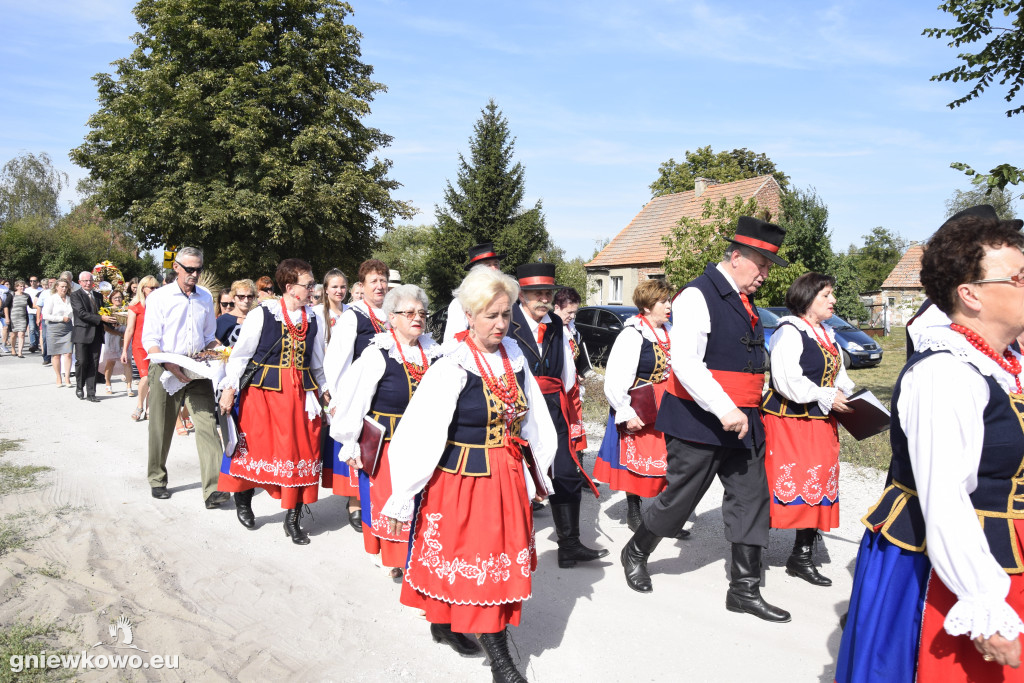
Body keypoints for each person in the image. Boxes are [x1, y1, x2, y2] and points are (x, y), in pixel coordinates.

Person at [836, 210, 1024, 681]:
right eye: (1019, 277)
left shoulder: (1006, 364)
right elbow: (945, 496)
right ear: (971, 294)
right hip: (959, 561)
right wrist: (983, 604)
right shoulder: (945, 373)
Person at [382, 267, 557, 680]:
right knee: (476, 566)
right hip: (462, 481)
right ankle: (500, 660)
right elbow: (421, 432)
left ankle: (443, 624)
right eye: (492, 315)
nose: (501, 324)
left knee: (493, 564)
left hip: (506, 475)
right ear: (470, 314)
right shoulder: (452, 366)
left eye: (506, 314)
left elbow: (535, 420)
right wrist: (403, 493)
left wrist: (541, 474)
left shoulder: (514, 357)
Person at [621, 216, 792, 624]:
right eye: (761, 265)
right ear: (736, 257)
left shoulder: (745, 301)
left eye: (769, 268)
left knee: (752, 499)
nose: (766, 275)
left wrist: (745, 407)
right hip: (701, 418)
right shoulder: (697, 296)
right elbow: (687, 365)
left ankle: (744, 590)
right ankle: (637, 550)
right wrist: (725, 408)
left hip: (744, 419)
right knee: (681, 499)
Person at [330, 284, 441, 576]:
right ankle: (398, 560)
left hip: (428, 442)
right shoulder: (378, 354)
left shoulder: (435, 354)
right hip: (388, 446)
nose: (417, 318)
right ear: (392, 318)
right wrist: (350, 442)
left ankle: (419, 559)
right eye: (409, 313)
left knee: (425, 503)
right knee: (390, 502)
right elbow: (354, 401)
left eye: (421, 313)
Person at [218, 259, 328, 543]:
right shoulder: (263, 314)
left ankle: (293, 518)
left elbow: (316, 363)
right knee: (254, 448)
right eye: (309, 284)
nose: (313, 288)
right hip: (263, 394)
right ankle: (243, 499)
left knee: (302, 453)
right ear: (291, 288)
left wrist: (326, 392)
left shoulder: (314, 318)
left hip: (301, 396)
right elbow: (241, 355)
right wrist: (229, 388)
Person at [760, 273, 854, 588]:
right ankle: (751, 551)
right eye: (826, 295)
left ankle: (800, 556)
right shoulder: (789, 332)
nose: (833, 301)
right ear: (808, 297)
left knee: (818, 485)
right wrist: (825, 395)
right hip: (790, 421)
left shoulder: (827, 333)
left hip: (821, 422)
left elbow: (837, 374)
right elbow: (786, 380)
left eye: (832, 295)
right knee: (779, 484)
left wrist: (845, 394)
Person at [508, 262, 605, 569]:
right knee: (519, 477)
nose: (544, 299)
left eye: (548, 292)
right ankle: (514, 545)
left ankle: (570, 544)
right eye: (537, 293)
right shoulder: (507, 320)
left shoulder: (554, 324)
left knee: (565, 472)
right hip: (518, 408)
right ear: (522, 295)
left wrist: (571, 410)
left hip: (552, 405)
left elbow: (566, 370)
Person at [141, 246, 229, 509]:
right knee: (161, 426)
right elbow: (151, 340)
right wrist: (168, 363)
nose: (194, 274)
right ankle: (157, 478)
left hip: (196, 367)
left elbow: (207, 338)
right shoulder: (160, 297)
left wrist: (224, 351)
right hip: (165, 366)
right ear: (176, 267)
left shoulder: (204, 297)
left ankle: (214, 489)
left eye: (198, 269)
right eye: (189, 269)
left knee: (206, 424)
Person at [593, 279, 676, 531]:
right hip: (641, 402)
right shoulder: (632, 334)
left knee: (669, 460)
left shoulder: (669, 331)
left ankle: (665, 515)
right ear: (648, 306)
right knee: (636, 458)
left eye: (668, 300)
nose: (669, 305)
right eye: (663, 301)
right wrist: (625, 410)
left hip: (667, 403)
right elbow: (616, 379)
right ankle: (634, 510)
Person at [323, 259, 390, 530]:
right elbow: (336, 360)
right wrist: (339, 399)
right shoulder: (353, 316)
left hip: (386, 394)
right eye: (374, 281)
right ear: (361, 286)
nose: (380, 286)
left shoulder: (393, 314)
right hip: (359, 394)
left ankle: (379, 497)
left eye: (383, 280)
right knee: (359, 446)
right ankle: (355, 502)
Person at [443, 242, 505, 344]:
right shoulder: (460, 303)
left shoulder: (506, 299)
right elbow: (454, 342)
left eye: (496, 264)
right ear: (476, 271)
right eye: (488, 265)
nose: (494, 269)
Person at [552, 286, 589, 457]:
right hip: (556, 390)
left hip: (573, 389)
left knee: (575, 427)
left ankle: (577, 467)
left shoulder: (573, 331)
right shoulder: (550, 330)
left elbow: (579, 356)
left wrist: (581, 373)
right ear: (557, 307)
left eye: (575, 312)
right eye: (569, 312)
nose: (572, 316)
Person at [70, 272, 117, 401]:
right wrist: (101, 318)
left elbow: (103, 312)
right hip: (82, 334)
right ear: (80, 282)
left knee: (94, 363)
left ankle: (91, 392)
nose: (88, 283)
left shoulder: (98, 296)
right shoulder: (75, 295)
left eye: (90, 280)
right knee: (82, 361)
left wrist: (112, 322)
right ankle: (79, 386)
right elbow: (81, 313)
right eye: (85, 281)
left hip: (96, 334)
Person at [121, 276, 158, 421]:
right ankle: (139, 405)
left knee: (154, 379)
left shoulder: (158, 304)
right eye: (151, 288)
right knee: (145, 377)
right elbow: (129, 329)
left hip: (155, 346)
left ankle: (149, 408)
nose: (154, 290)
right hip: (139, 347)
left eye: (156, 287)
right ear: (143, 289)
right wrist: (124, 350)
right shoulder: (135, 306)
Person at [99, 290, 132, 395]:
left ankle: (129, 386)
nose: (118, 299)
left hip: (125, 335)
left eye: (119, 297)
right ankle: (108, 384)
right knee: (110, 361)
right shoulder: (106, 310)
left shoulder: (127, 309)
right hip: (112, 336)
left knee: (127, 362)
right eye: (115, 298)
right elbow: (104, 326)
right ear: (111, 299)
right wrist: (117, 333)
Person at [43, 278, 74, 387]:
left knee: (68, 353)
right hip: (54, 328)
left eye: (66, 287)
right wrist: (61, 318)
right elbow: (45, 315)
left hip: (68, 328)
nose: (64, 289)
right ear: (56, 287)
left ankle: (67, 377)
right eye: (62, 286)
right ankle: (58, 377)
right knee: (56, 355)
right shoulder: (51, 299)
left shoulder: (70, 299)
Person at [215, 280, 256, 347]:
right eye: (241, 297)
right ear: (233, 298)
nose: (246, 300)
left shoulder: (257, 319)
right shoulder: (223, 320)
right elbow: (215, 344)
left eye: (249, 297)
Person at [8, 280, 30, 358]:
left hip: (23, 317)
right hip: (13, 317)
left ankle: (20, 352)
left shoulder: (26, 296)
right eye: (20, 286)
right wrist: (7, 317)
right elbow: (6, 306)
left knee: (22, 334)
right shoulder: (12, 295)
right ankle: (13, 349)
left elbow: (31, 305)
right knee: (13, 335)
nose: (22, 288)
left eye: (23, 286)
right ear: (16, 287)